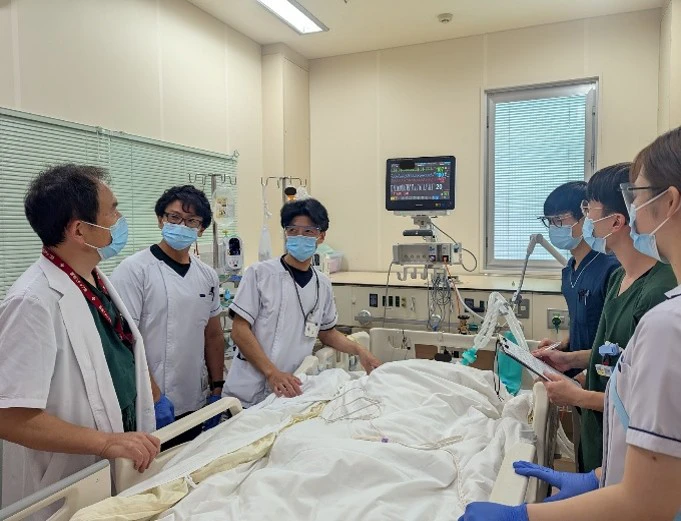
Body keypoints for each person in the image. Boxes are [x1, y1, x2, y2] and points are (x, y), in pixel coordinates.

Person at [458, 127, 681, 521]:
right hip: (616, 456)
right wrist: (599, 477)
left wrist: (521, 516)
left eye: (637, 195)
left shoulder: (666, 319)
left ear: (669, 202)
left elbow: (646, 502)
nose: (633, 209)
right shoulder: (634, 290)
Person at [0, 165, 161, 516]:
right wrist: (105, 442)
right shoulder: (32, 301)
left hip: (121, 463)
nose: (120, 219)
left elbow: (112, 346)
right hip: (64, 485)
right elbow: (9, 417)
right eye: (113, 211)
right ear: (79, 230)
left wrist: (144, 385)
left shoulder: (92, 278)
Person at [534, 163, 676, 472]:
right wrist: (569, 360)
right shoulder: (619, 279)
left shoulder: (658, 294)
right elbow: (611, 353)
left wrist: (580, 396)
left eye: (589, 210)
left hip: (631, 448)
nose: (586, 220)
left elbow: (644, 405)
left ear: (617, 220)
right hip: (600, 431)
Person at [224, 198, 383, 407]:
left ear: (321, 236)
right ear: (286, 233)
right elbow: (239, 330)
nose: (300, 237)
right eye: (293, 230)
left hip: (289, 391)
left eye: (308, 231)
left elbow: (327, 333)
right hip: (247, 390)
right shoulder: (260, 274)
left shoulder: (322, 284)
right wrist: (272, 373)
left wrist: (360, 351)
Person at [111, 186, 225, 444]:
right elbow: (123, 342)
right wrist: (155, 398)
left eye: (191, 221)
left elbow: (213, 335)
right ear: (160, 220)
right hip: (149, 403)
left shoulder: (207, 275)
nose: (182, 225)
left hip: (194, 400)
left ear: (201, 229)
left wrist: (217, 387)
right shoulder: (134, 271)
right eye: (174, 217)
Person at [538, 182, 620, 370]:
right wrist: (562, 345)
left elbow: (618, 345)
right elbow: (583, 325)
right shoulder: (569, 270)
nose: (553, 227)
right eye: (549, 221)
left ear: (587, 217)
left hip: (603, 374)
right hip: (575, 371)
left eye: (559, 220)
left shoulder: (612, 269)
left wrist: (580, 376)